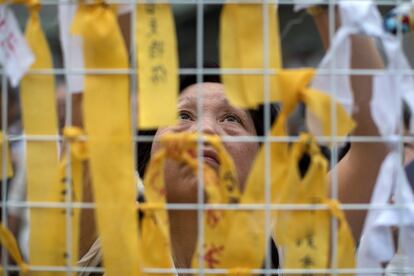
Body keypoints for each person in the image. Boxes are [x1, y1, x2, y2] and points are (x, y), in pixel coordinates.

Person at [79, 5, 387, 275]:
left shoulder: (288, 244)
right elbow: (96, 105)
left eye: (231, 119)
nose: (206, 131)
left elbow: (376, 144)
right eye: (184, 116)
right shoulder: (105, 231)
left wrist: (329, 8)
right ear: (148, 153)